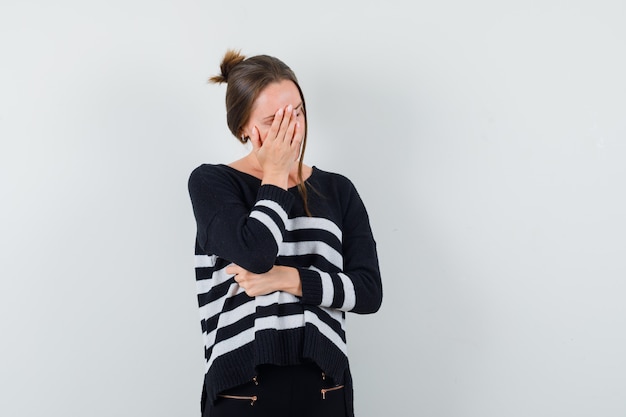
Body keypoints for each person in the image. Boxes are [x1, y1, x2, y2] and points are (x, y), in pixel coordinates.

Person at [188, 49, 383, 417]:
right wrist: (276, 175)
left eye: (297, 112)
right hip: (242, 388)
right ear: (244, 127)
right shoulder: (212, 183)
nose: (291, 127)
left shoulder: (338, 190)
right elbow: (255, 252)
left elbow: (368, 292)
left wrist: (286, 278)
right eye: (273, 120)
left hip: (325, 384)